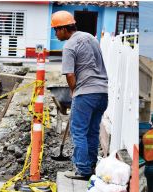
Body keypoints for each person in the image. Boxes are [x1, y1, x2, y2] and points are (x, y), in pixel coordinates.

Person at [53, 11, 110, 180]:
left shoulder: (69, 46)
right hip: (102, 92)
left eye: (56, 30)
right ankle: (91, 166)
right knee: (92, 132)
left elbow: (70, 74)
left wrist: (74, 92)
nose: (55, 34)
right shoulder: (91, 38)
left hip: (85, 93)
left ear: (64, 29)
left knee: (78, 132)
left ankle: (83, 170)